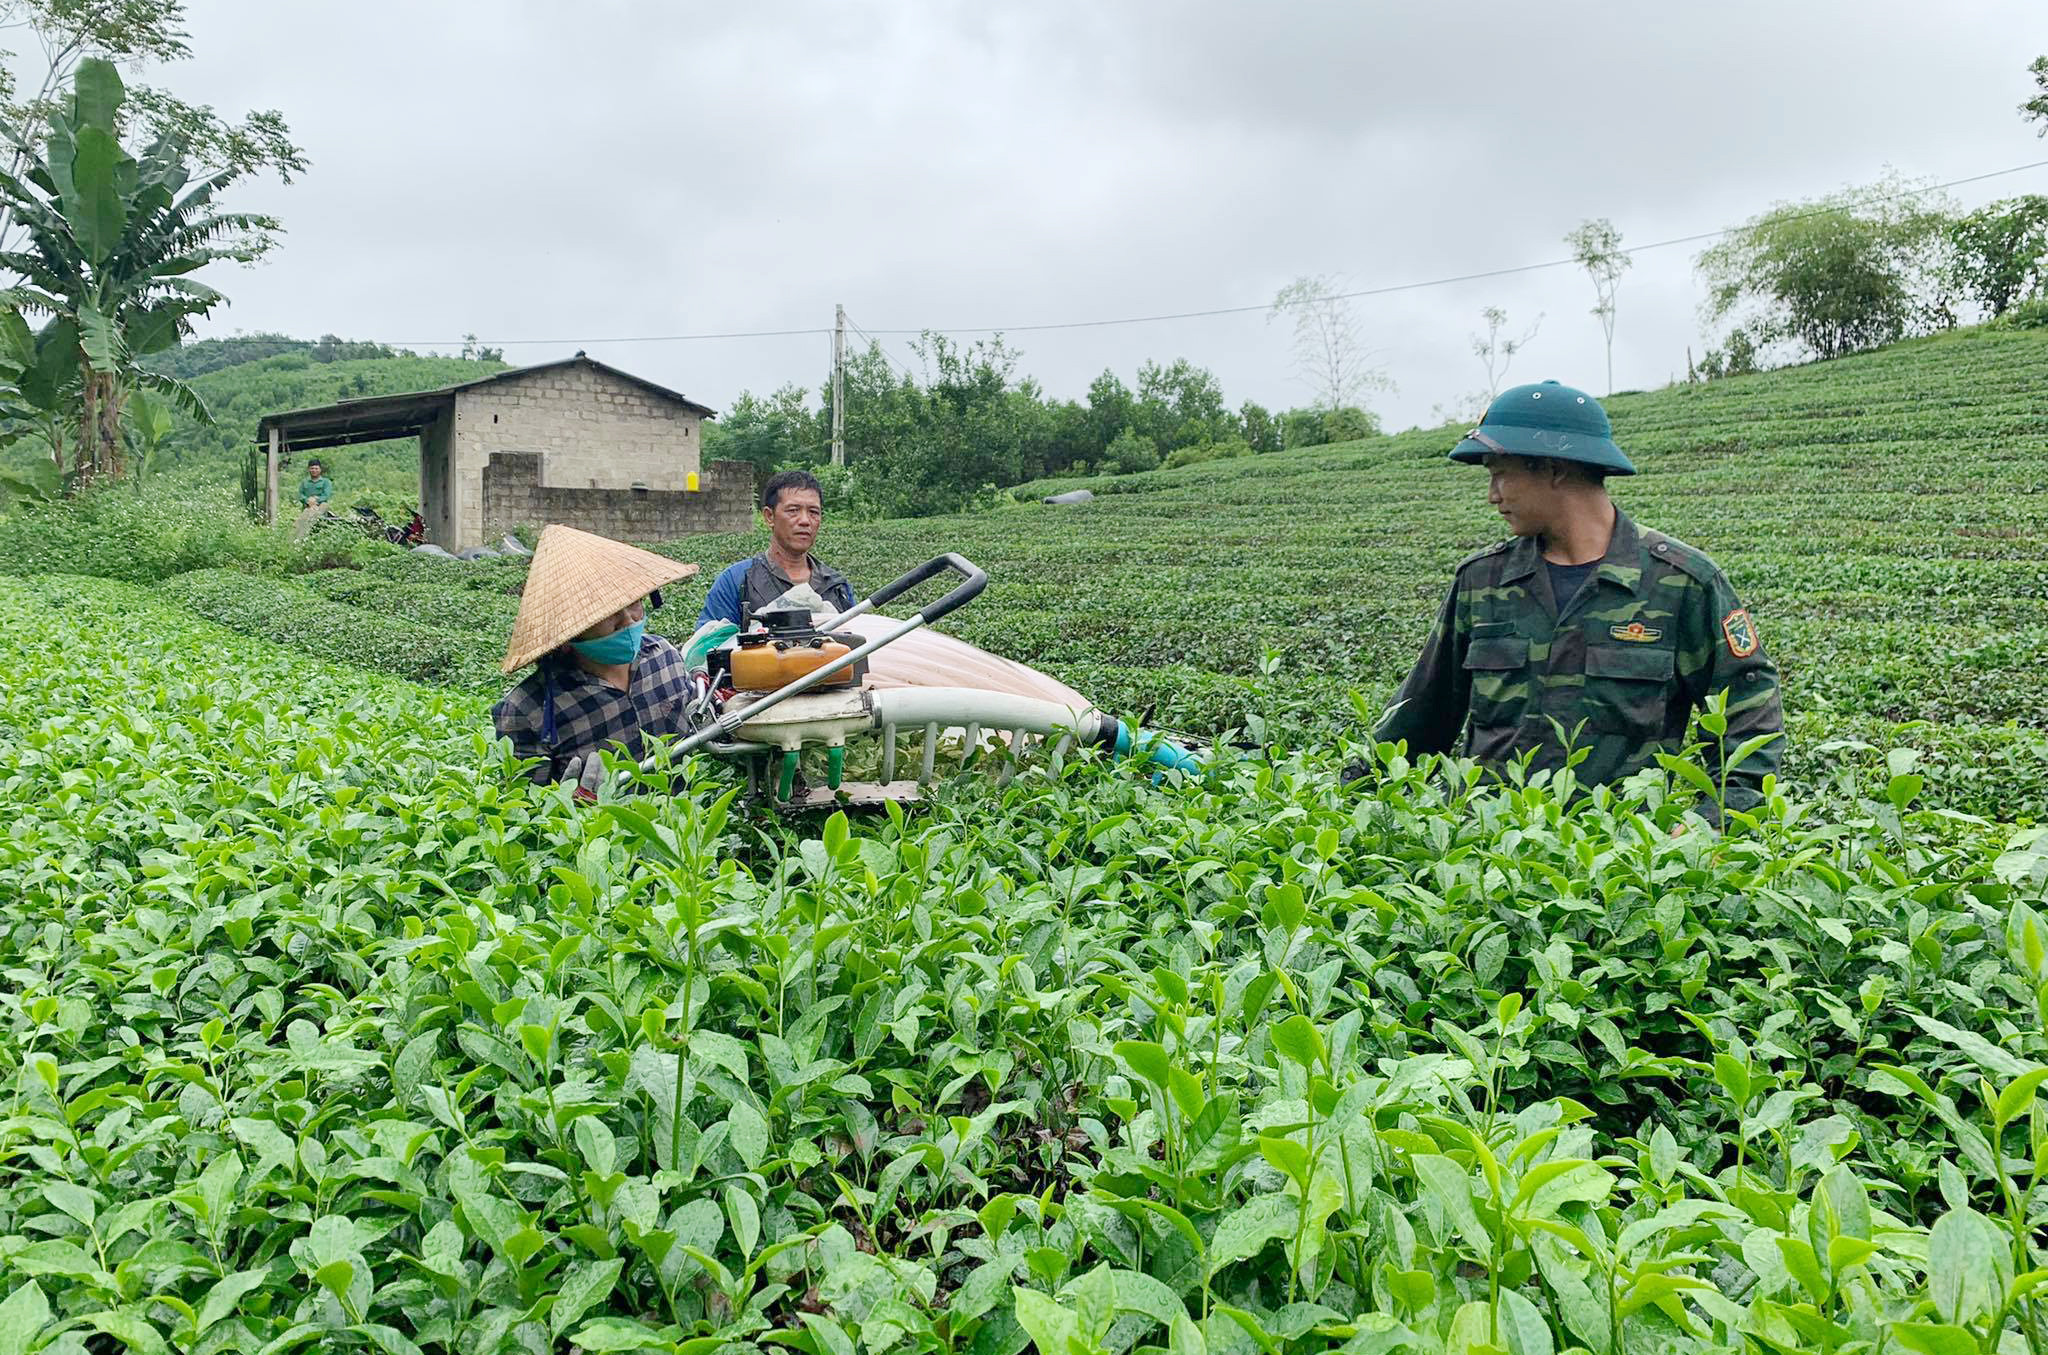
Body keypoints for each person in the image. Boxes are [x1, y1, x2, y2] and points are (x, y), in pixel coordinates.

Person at [1368, 380, 1785, 821]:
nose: (1492, 495)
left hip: (1619, 867)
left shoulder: (1682, 583)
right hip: (1486, 862)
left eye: (1500, 474)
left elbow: (1749, 711)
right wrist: (1349, 807)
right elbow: (1417, 717)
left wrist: (1715, 821)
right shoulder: (1482, 582)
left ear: (1553, 468)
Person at [493, 523, 702, 791]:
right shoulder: (527, 710)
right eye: (608, 614)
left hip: (684, 828)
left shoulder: (664, 658)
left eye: (634, 603)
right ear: (567, 633)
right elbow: (524, 814)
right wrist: (567, 807)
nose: (628, 621)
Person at [699, 470, 856, 627]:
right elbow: (708, 645)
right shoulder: (736, 581)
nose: (805, 521)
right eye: (793, 510)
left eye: (813, 512)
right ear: (769, 516)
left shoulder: (837, 586)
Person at [292, 458, 335, 540]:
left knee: (317, 510)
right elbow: (300, 495)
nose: (314, 470)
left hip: (321, 507)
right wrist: (307, 500)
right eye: (312, 468)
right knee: (301, 520)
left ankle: (301, 537)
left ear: (320, 470)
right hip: (307, 507)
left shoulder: (326, 482)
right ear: (309, 469)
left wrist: (315, 500)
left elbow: (326, 495)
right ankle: (294, 538)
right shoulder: (304, 482)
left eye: (316, 468)